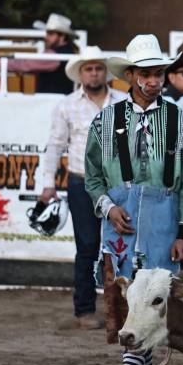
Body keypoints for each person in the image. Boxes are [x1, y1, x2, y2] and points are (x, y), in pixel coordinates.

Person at [86, 34, 183, 365]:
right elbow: (92, 177)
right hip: (122, 226)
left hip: (163, 222)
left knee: (147, 312)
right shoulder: (104, 121)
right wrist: (109, 207)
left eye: (158, 74)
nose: (154, 81)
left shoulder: (181, 122)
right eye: (147, 74)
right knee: (133, 313)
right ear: (132, 75)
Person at [38, 46, 127, 330]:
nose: (94, 73)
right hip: (81, 182)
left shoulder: (123, 102)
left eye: (98, 68)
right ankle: (85, 309)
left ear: (105, 72)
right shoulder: (66, 105)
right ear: (81, 73)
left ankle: (120, 308)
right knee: (87, 246)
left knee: (120, 246)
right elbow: (55, 145)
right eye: (88, 68)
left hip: (118, 184)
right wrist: (48, 184)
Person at [0, 13, 79, 94]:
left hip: (50, 103)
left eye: (50, 33)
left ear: (62, 36)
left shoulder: (54, 56)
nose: (46, 37)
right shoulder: (66, 52)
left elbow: (24, 65)